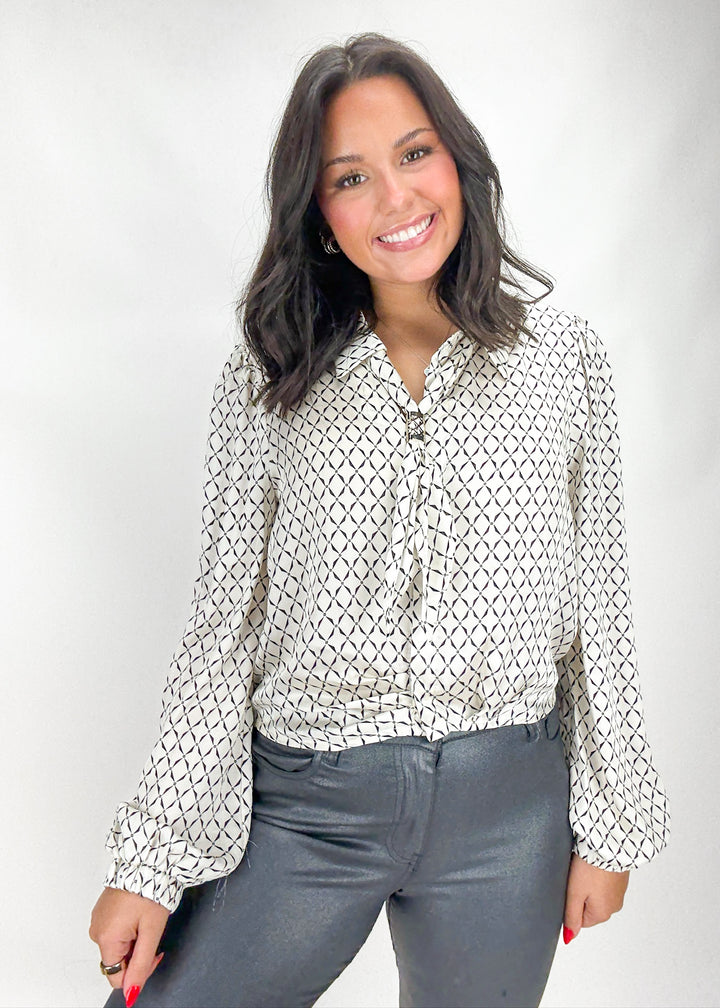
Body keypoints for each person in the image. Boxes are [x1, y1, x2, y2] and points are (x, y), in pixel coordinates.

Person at [88, 31, 670, 1008]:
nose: (395, 200)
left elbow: (600, 610)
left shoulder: (565, 361)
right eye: (349, 178)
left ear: (457, 159)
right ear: (319, 214)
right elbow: (221, 629)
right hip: (307, 809)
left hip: (508, 814)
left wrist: (612, 825)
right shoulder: (270, 376)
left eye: (413, 154)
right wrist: (151, 859)